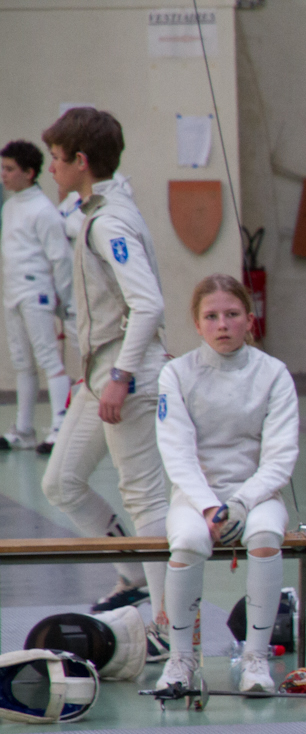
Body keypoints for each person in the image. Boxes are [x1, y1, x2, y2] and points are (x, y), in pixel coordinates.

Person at [39, 108, 171, 623]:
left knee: (145, 499)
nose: (51, 168)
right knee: (61, 482)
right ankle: (135, 577)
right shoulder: (101, 209)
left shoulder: (109, 220)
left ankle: (169, 627)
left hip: (127, 376)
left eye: (56, 158)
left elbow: (148, 304)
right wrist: (96, 371)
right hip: (102, 375)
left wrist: (120, 375)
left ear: (81, 161)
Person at [154, 275, 298, 694]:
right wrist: (209, 506)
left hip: (257, 495)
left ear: (249, 320)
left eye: (232, 314)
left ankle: (255, 657)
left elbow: (280, 457)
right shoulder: (176, 374)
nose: (222, 324)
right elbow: (177, 452)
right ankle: (181, 659)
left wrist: (239, 503)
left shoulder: (273, 374)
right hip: (195, 496)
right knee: (186, 542)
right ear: (197, 325)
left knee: (266, 536)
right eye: (211, 316)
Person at [1, 140, 73, 453]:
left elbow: (61, 258)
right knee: (22, 363)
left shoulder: (44, 210)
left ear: (29, 172)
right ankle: (24, 429)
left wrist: (64, 300)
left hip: (37, 293)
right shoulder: (10, 206)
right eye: (2, 168)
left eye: (10, 169)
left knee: (49, 359)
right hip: (13, 294)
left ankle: (60, 427)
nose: (4, 175)